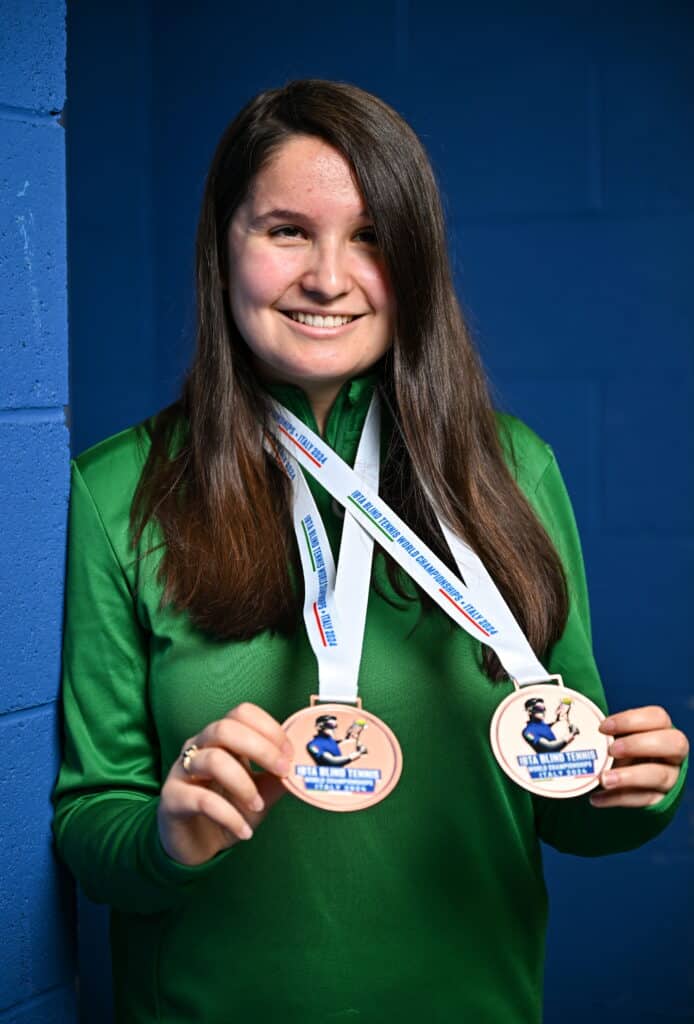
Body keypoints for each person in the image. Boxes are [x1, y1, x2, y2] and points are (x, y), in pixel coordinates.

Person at [52, 80, 688, 1023]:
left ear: (418, 261)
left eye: (372, 236)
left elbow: (556, 794)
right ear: (221, 245)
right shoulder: (115, 493)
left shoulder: (513, 469)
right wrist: (162, 836)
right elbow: (89, 819)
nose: (329, 277)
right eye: (285, 230)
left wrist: (633, 793)